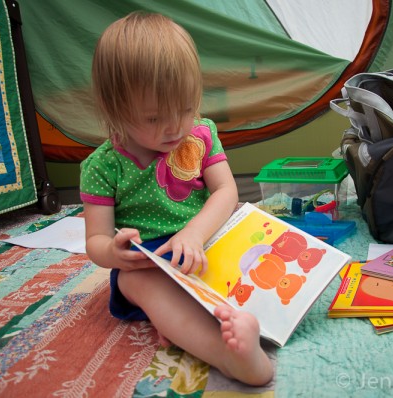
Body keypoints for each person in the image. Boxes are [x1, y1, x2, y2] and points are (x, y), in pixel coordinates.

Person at [80, 12, 273, 386]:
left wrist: (195, 234)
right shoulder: (102, 166)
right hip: (147, 263)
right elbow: (96, 241)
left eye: (185, 109)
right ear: (114, 107)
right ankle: (234, 359)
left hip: (205, 241)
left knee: (262, 254)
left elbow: (226, 191)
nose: (174, 127)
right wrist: (115, 253)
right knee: (145, 289)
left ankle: (222, 323)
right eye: (153, 119)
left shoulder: (199, 134)